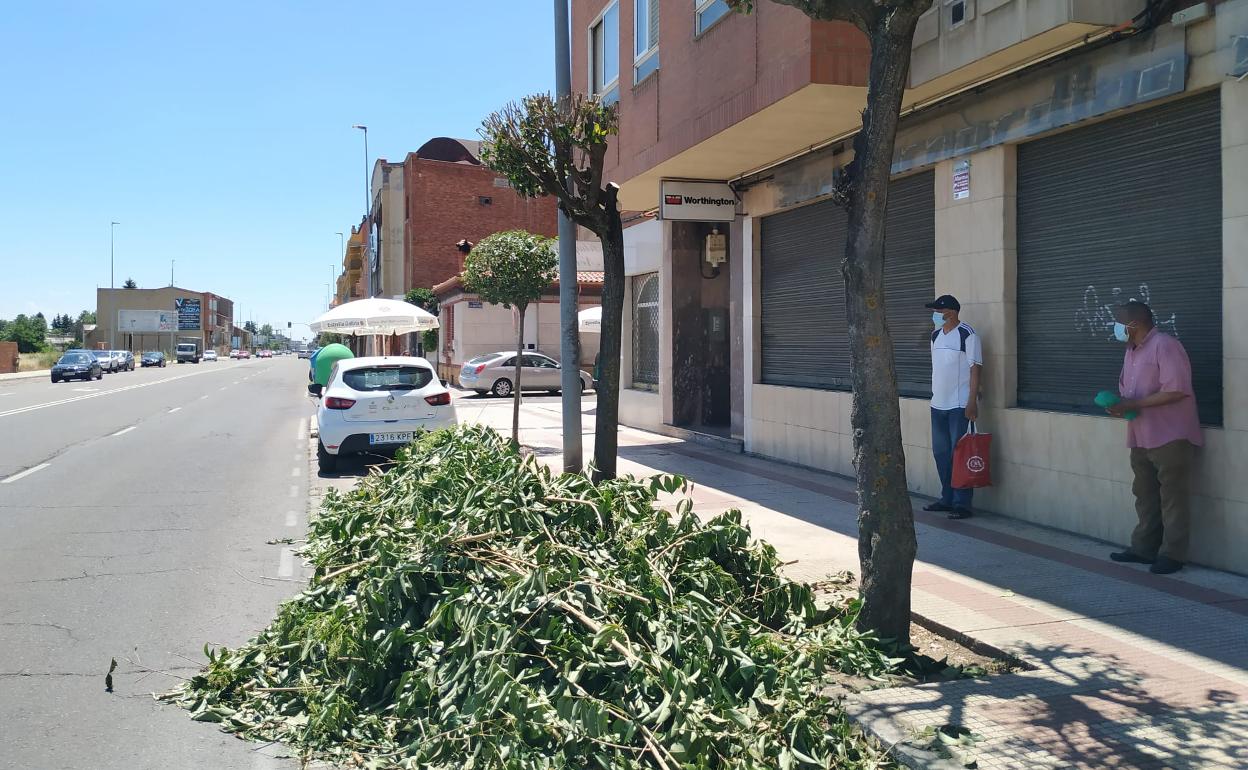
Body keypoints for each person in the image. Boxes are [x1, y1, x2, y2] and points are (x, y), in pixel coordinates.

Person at [1107, 301, 1202, 575]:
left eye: (1119, 322)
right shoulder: (1131, 351)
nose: (1116, 328)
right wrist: (1120, 405)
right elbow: (1131, 393)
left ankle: (1173, 555)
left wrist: (1134, 405)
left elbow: (1176, 390)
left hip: (1170, 435)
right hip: (1140, 434)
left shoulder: (1166, 346)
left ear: (1133, 324)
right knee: (1145, 494)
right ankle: (1143, 548)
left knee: (1173, 496)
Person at [922, 295, 982, 520]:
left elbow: (976, 368)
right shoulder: (935, 335)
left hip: (959, 405)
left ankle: (962, 503)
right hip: (938, 404)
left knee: (960, 454)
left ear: (952, 312)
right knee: (941, 453)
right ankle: (946, 498)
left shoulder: (968, 334)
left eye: (939, 310)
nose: (936, 314)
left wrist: (972, 400)